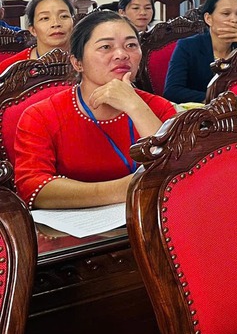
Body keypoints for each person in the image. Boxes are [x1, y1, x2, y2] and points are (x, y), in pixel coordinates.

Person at [13, 11, 176, 208]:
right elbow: (32, 187)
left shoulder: (158, 107)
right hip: (76, 233)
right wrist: (125, 188)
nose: (122, 54)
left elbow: (177, 174)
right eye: (106, 47)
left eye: (131, 45)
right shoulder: (41, 115)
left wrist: (135, 107)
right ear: (77, 62)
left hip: (150, 223)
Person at [162, 0, 237, 103]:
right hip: (200, 115)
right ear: (208, 19)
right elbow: (172, 91)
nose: (234, 20)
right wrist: (219, 101)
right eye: (226, 14)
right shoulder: (188, 46)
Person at [0, 0, 75, 73]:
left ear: (73, 23)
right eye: (45, 18)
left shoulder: (87, 60)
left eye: (64, 16)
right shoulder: (9, 68)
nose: (56, 24)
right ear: (33, 30)